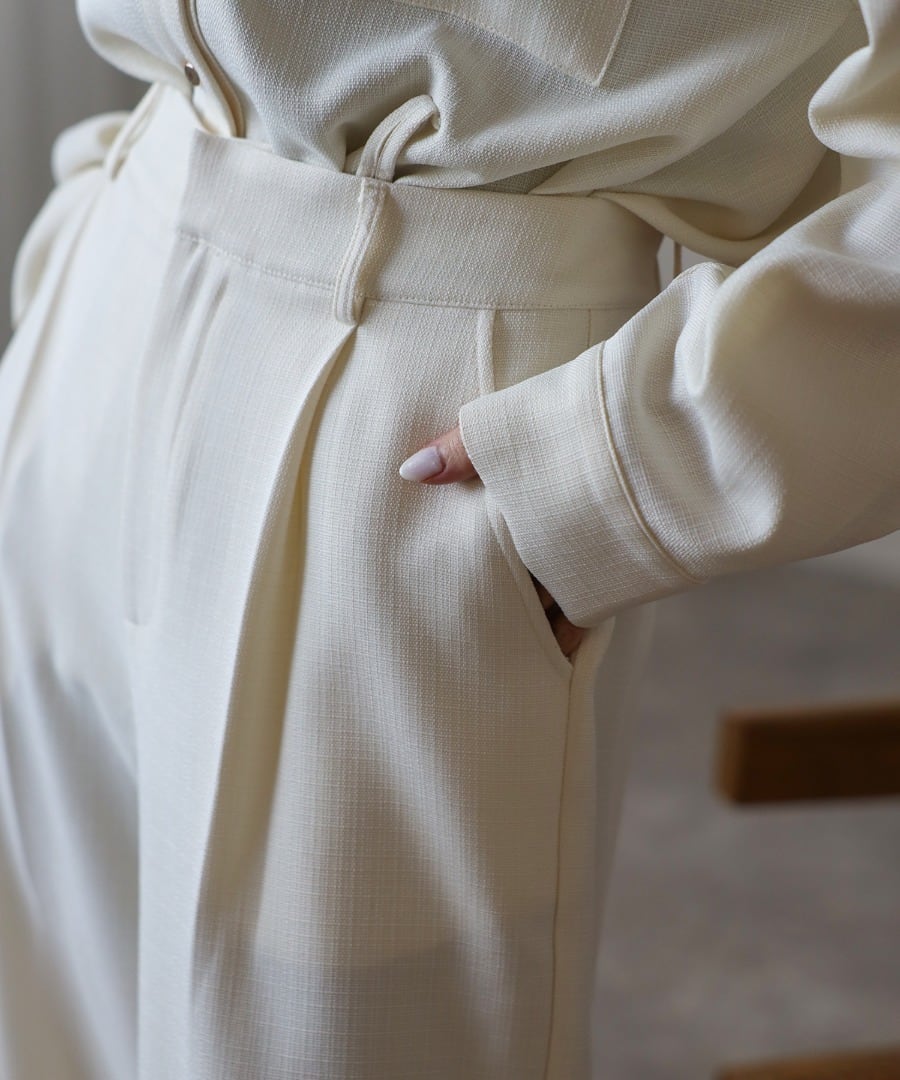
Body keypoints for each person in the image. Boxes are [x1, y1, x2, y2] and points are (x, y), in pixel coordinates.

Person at [0, 2, 897, 1077]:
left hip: (408, 414)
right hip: (116, 272)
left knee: (326, 1034)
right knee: (45, 1015)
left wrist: (632, 466)